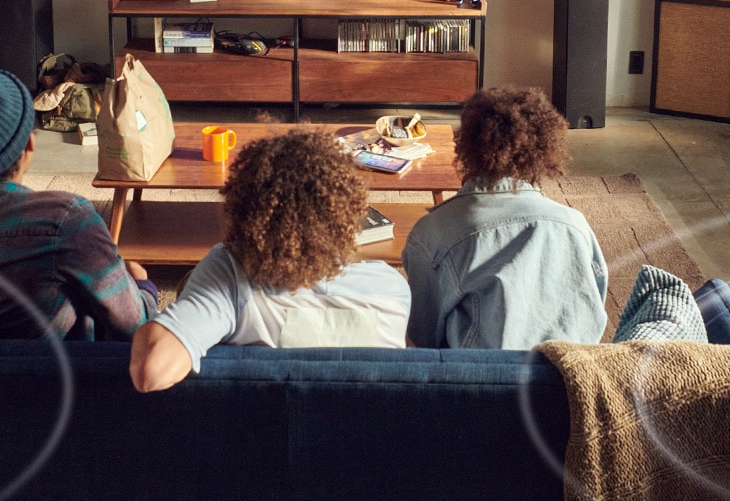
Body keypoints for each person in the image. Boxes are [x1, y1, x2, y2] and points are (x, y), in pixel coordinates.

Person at [129, 129, 411, 392]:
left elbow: (151, 370)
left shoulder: (231, 282)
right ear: (346, 220)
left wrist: (145, 291)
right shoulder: (392, 289)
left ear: (244, 213)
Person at [0, 70, 158, 340]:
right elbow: (133, 326)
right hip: (60, 376)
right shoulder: (66, 218)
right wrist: (143, 285)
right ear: (29, 145)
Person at [402, 87, 608, 349]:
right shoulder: (575, 225)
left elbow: (424, 336)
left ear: (465, 146)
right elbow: (593, 307)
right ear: (544, 149)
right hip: (567, 380)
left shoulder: (433, 233)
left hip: (484, 384)